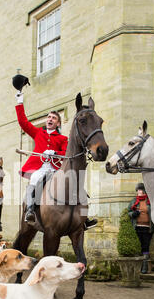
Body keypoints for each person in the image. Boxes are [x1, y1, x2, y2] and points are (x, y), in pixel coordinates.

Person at [14, 79, 97, 229]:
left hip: (58, 168)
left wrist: (54, 152)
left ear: (58, 123)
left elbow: (66, 152)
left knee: (79, 188)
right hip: (41, 168)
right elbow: (23, 122)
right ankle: (30, 211)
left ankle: (84, 219)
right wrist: (19, 99)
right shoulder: (38, 133)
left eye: (53, 118)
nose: (50, 119)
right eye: (49, 118)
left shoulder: (63, 138)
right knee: (35, 178)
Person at [128, 182, 154, 274]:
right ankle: (137, 267)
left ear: (144, 191)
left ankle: (144, 267)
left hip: (147, 228)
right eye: (138, 190)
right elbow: (129, 212)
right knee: (138, 247)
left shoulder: (149, 201)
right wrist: (133, 214)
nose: (138, 192)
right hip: (137, 227)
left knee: (145, 247)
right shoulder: (134, 201)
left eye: (140, 190)